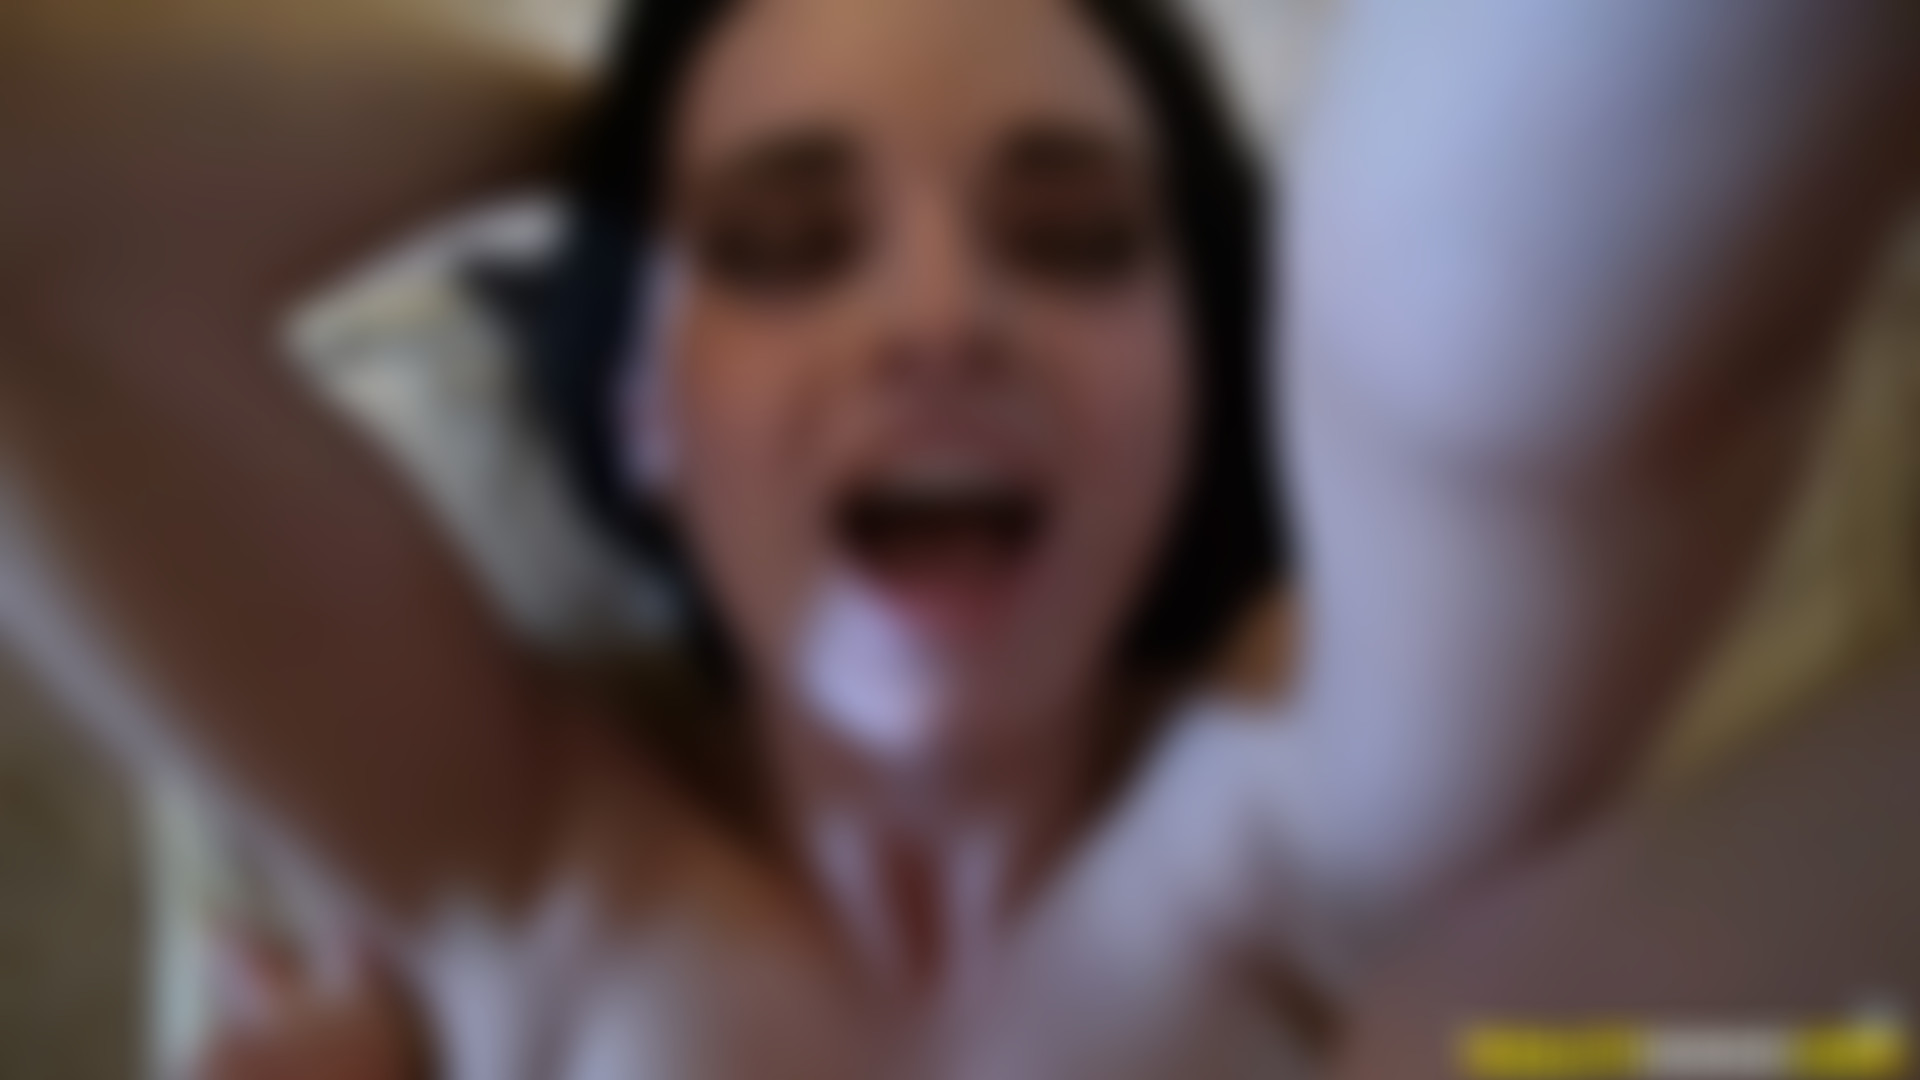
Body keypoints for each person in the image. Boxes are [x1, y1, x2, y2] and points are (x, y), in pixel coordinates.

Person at [1, 0, 1916, 1077]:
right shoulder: (534, 888)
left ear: (1198, 398)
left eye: (1073, 239)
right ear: (643, 409)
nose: (940, 322)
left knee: (1476, 382)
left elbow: (1508, 400)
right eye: (783, 241)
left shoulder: (1285, 859)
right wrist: (591, 154)